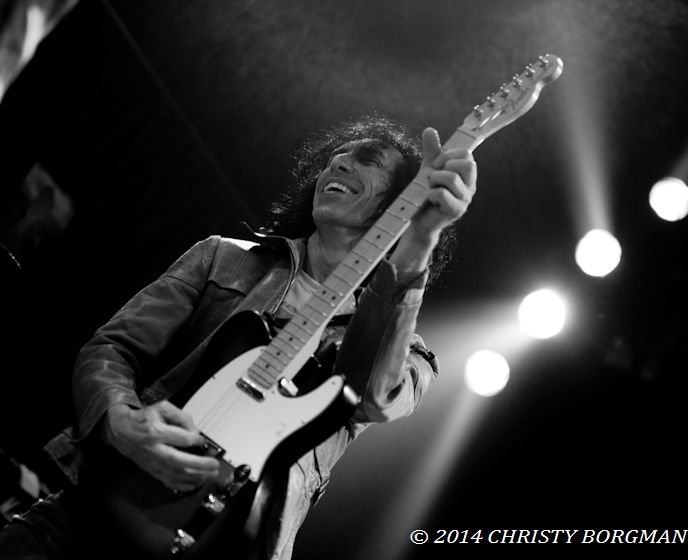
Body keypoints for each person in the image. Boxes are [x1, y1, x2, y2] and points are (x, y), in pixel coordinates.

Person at [0, 114, 476, 559]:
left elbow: (374, 396)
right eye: (337, 156)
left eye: (367, 160)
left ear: (400, 202)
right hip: (89, 514)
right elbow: (111, 348)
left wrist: (420, 241)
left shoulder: (404, 348)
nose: (339, 162)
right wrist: (121, 421)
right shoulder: (223, 257)